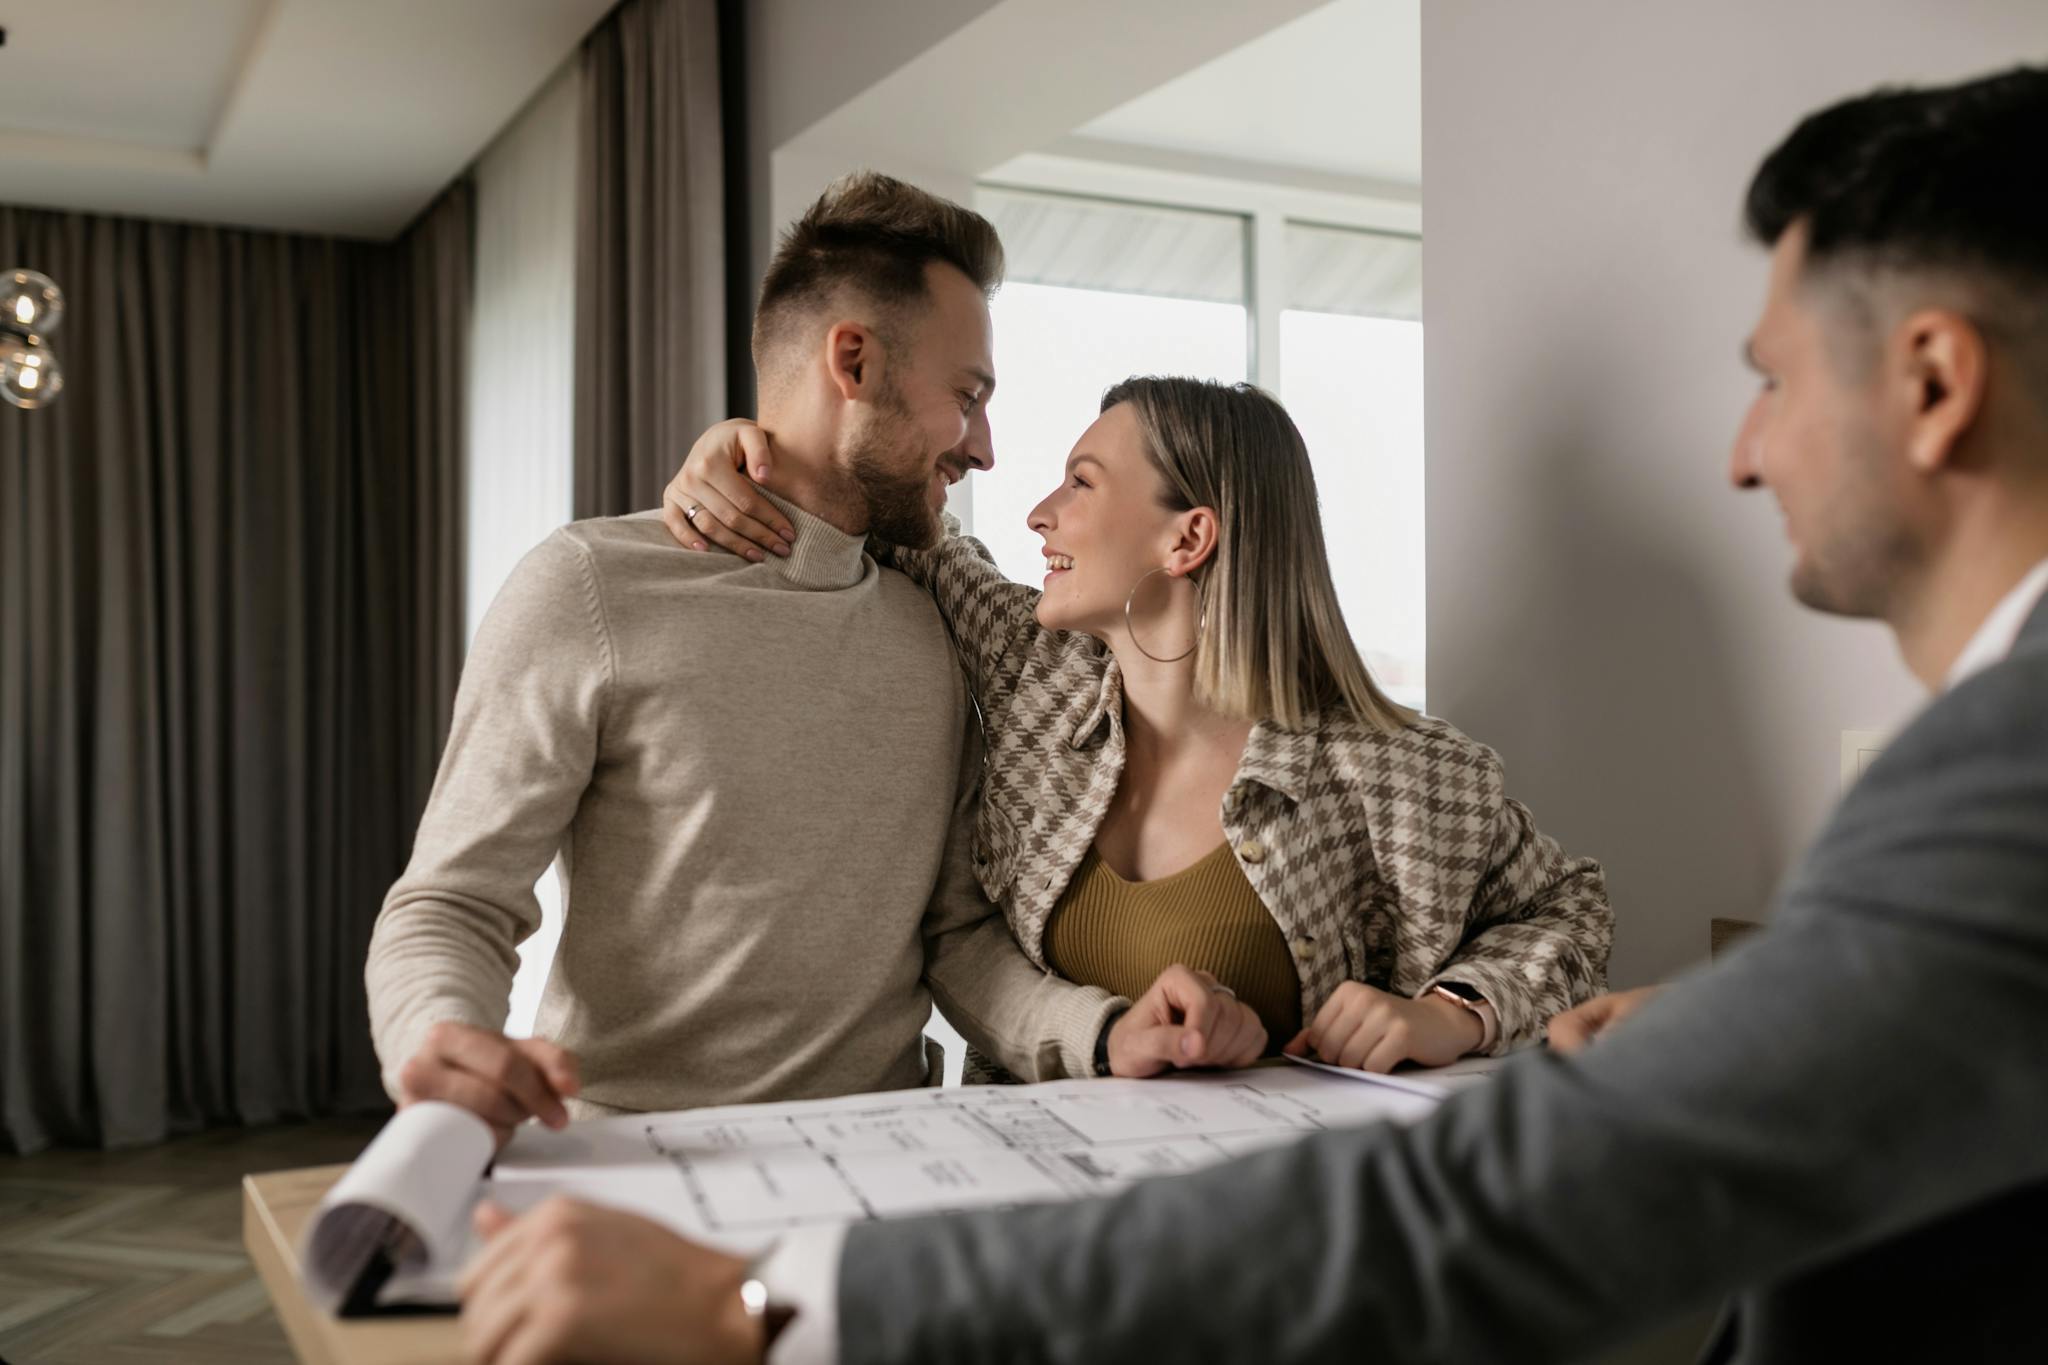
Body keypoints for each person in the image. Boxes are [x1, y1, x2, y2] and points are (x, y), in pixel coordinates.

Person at [456, 65, 2048, 1365]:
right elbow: (880, 501)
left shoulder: (1985, 788)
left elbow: (1506, 1185)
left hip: (1183, 1270)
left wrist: (770, 1309)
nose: (1742, 456)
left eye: (1771, 379)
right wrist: (743, 447)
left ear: (1932, 379)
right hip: (1000, 1199)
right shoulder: (1014, 671)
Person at [367, 172, 1148, 1140]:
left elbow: (952, 936)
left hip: (897, 1154)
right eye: (967, 395)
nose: (984, 448)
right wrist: (435, 1035)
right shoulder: (587, 588)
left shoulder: (935, 614)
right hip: (636, 1157)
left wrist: (1105, 1033)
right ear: (852, 362)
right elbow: (451, 901)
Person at [662, 379, 1612, 1081]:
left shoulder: (1392, 769)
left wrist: (1454, 1013)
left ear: (1186, 539)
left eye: (1079, 482)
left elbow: (1569, 911)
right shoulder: (1033, 674)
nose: (1041, 513)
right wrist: (749, 452)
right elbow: (911, 533)